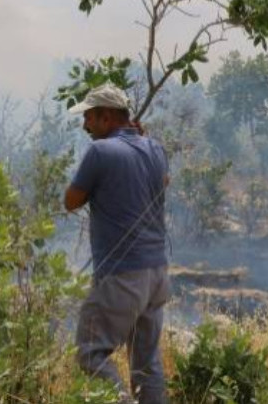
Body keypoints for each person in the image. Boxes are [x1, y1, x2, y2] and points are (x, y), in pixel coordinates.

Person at [64, 83, 170, 404]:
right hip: (157, 273)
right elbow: (162, 181)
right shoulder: (155, 148)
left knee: (90, 352)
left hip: (123, 274)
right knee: (146, 365)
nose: (85, 126)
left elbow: (71, 201)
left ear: (107, 116)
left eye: (90, 118)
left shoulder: (100, 152)